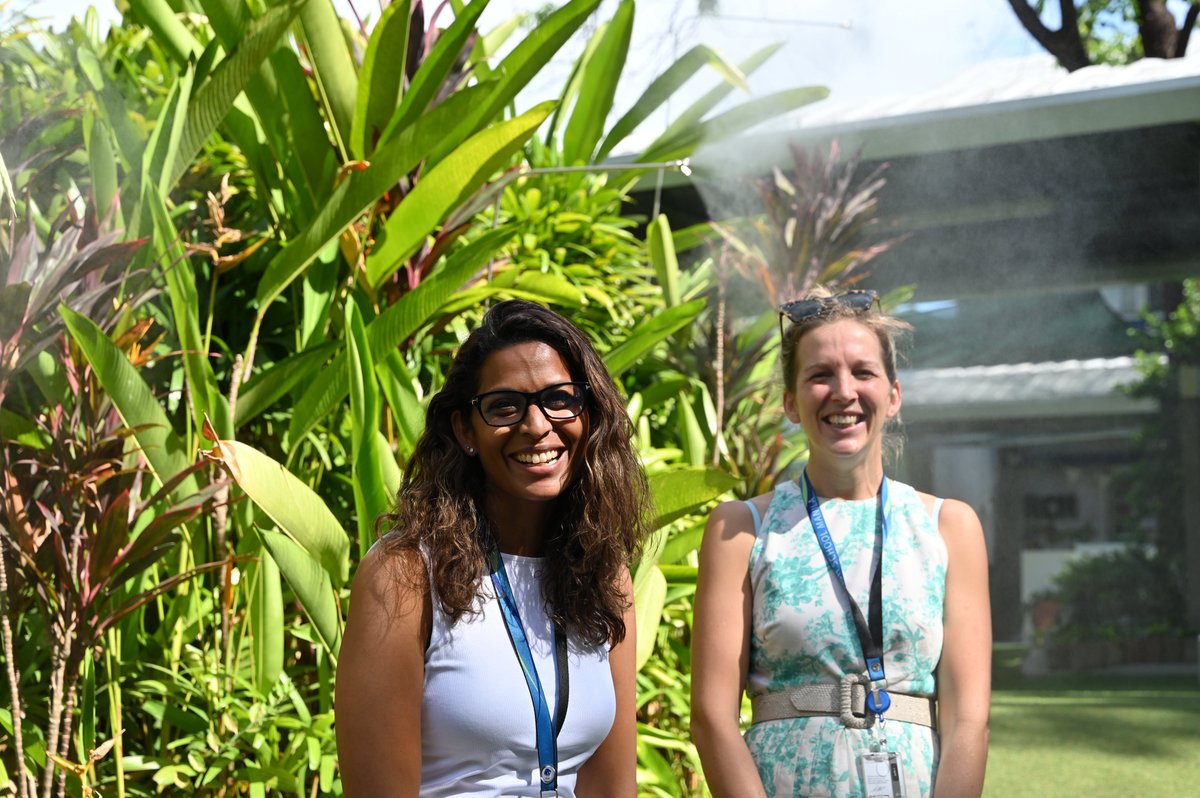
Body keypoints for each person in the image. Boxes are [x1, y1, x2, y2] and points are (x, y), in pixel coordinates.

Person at [336, 299, 649, 797]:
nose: (537, 425)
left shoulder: (604, 577)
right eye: (505, 406)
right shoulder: (406, 574)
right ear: (465, 430)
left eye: (559, 399)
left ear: (588, 414)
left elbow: (611, 788)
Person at [691, 287, 991, 797]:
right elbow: (711, 718)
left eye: (863, 372)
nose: (843, 391)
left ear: (893, 396)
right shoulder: (741, 529)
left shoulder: (949, 527)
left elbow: (969, 721)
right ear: (790, 402)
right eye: (820, 375)